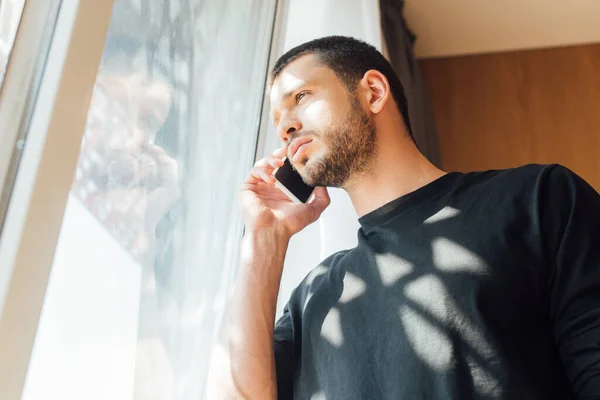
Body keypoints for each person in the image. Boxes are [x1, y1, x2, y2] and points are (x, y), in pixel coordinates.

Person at [207, 36, 600, 399]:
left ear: (374, 92)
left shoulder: (538, 198)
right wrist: (264, 239)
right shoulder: (314, 296)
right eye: (277, 119)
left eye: (301, 97)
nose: (285, 126)